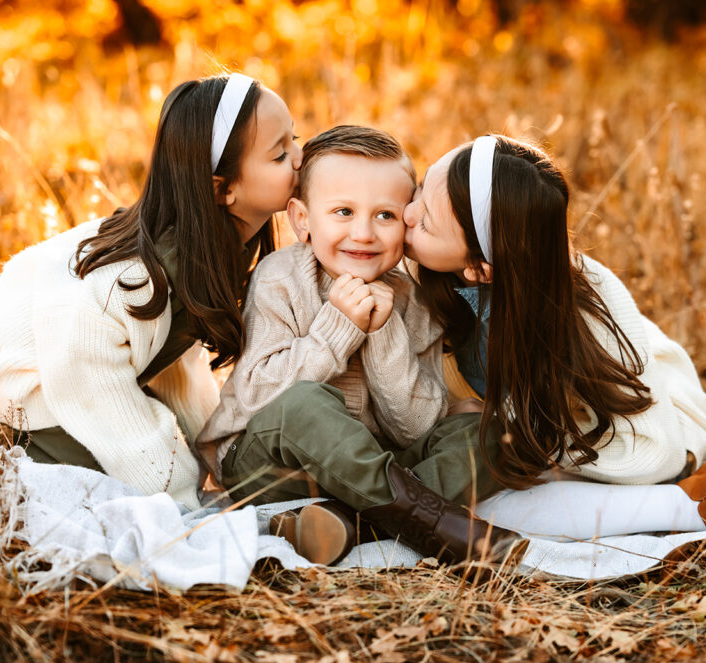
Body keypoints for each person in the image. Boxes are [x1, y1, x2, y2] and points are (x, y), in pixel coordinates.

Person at [401, 134, 706, 554]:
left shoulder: (584, 300)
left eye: (424, 223)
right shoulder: (432, 266)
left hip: (643, 439)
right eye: (419, 190)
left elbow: (653, 451)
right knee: (473, 493)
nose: (406, 213)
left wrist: (508, 425)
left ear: (480, 269)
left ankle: (705, 503)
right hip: (551, 449)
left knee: (486, 512)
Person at [0, 74, 303, 511]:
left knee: (175, 457)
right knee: (109, 488)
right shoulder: (136, 280)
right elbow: (89, 378)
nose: (299, 157)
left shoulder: (215, 246)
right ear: (223, 189)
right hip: (25, 379)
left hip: (84, 360)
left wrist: (213, 453)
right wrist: (180, 496)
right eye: (279, 154)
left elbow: (175, 363)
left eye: (295, 138)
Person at [197, 125, 528, 568]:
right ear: (302, 220)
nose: (364, 233)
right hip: (268, 466)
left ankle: (347, 522)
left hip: (369, 466)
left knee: (489, 431)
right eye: (343, 211)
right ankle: (435, 522)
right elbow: (260, 398)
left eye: (385, 215)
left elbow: (417, 427)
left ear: (407, 219)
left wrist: (382, 331)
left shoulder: (410, 297)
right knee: (307, 404)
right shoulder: (281, 278)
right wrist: (338, 328)